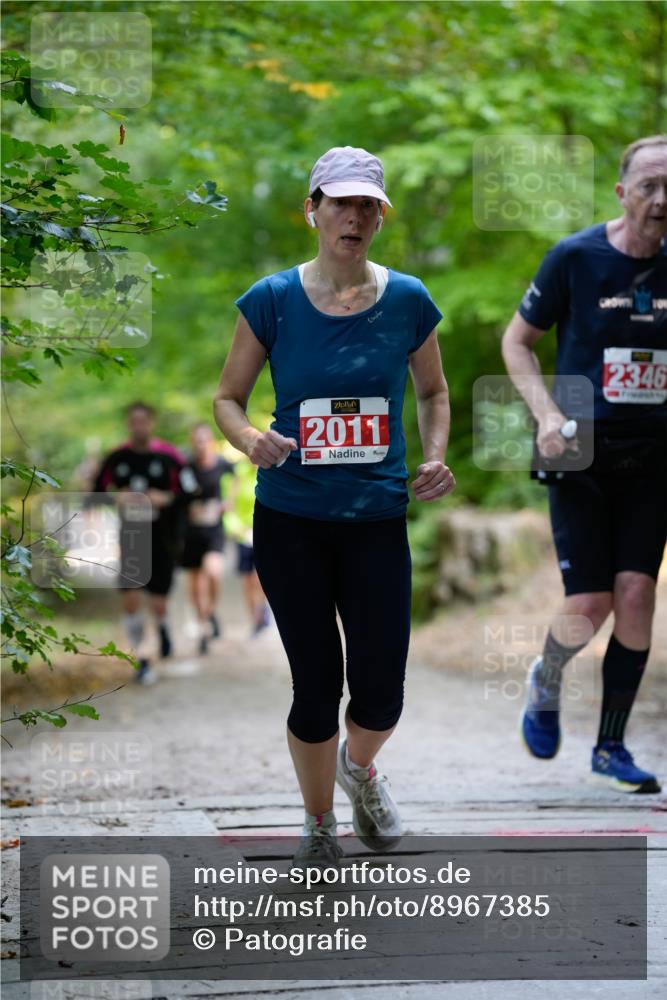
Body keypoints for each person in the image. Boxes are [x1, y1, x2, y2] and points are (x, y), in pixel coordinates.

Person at [214, 145, 455, 869]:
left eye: (367, 206)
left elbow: (434, 392)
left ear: (379, 217)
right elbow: (226, 399)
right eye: (339, 203)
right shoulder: (271, 299)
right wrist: (252, 439)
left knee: (381, 691)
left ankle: (361, 767)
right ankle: (319, 821)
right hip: (291, 519)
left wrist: (435, 453)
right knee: (316, 684)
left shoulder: (408, 299)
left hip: (375, 520)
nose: (353, 216)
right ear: (312, 210)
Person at [502, 135, 666, 793]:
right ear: (621, 192)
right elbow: (516, 343)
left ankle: (609, 747)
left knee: (636, 592)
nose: (661, 199)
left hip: (654, 451)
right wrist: (544, 413)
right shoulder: (574, 257)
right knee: (590, 599)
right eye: (649, 184)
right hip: (578, 446)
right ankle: (546, 676)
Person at [90, 402, 192, 684]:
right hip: (131, 539)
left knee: (158, 604)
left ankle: (163, 628)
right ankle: (142, 659)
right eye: (133, 421)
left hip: (163, 539)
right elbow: (96, 493)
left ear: (152, 423)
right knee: (131, 600)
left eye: (143, 421)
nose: (138, 426)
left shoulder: (170, 457)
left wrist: (165, 498)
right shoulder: (116, 457)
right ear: (128, 424)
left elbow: (189, 493)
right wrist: (116, 498)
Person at [180, 423, 236, 655]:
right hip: (192, 532)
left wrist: (228, 502)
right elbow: (180, 495)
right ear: (192, 442)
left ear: (211, 441)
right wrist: (188, 508)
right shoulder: (186, 468)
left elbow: (237, 480)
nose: (200, 444)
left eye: (204, 439)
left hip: (214, 530)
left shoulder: (223, 464)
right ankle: (203, 624)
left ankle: (210, 611)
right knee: (195, 583)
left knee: (213, 572)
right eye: (196, 440)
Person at [223, 456, 271, 638]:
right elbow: (229, 505)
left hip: (263, 533)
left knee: (260, 578)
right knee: (247, 580)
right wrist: (237, 529)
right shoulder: (239, 473)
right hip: (243, 535)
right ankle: (255, 619)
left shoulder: (269, 471)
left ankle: (262, 611)